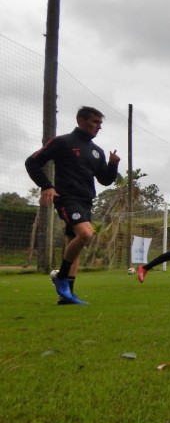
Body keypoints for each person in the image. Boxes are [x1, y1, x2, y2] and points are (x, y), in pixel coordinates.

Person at [25, 106, 120, 305]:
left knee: (74, 243)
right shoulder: (63, 142)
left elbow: (105, 180)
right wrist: (46, 186)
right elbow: (32, 162)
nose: (99, 127)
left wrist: (113, 164)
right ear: (81, 121)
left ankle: (67, 295)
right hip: (67, 198)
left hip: (86, 201)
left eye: (100, 123)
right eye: (95, 122)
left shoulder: (97, 151)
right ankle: (61, 276)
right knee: (85, 234)